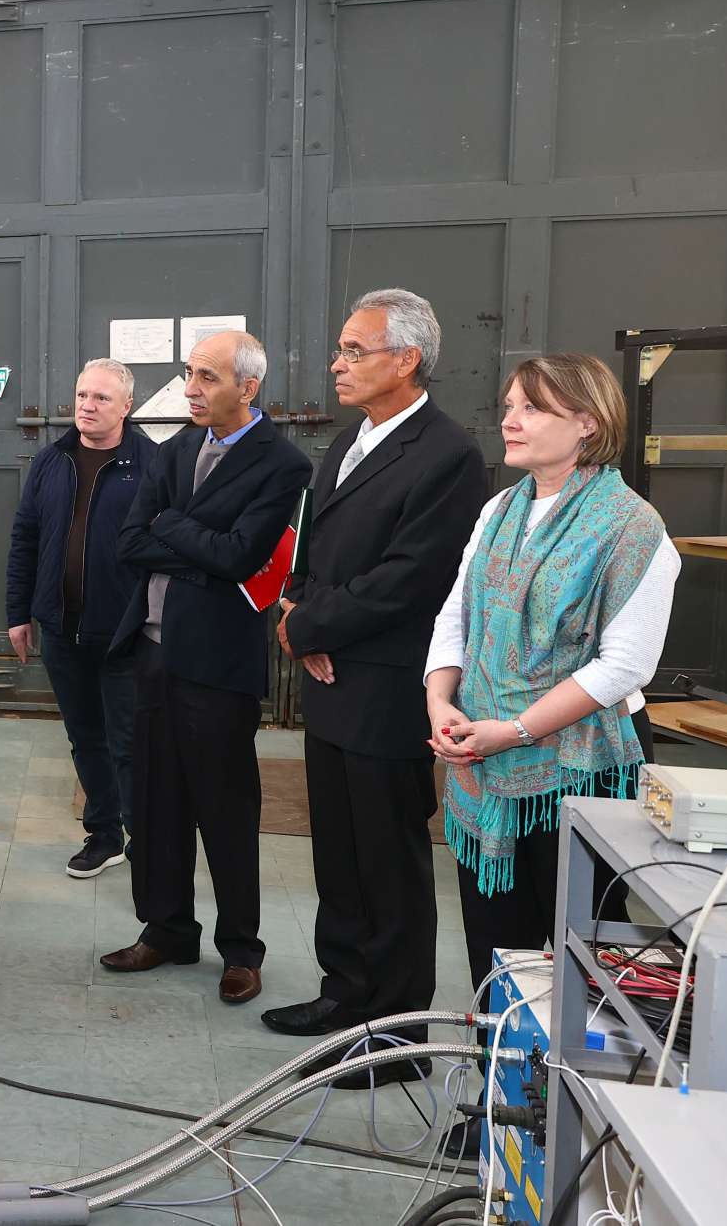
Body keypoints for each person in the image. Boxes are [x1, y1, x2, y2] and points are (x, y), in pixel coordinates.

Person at [259, 290, 487, 1085]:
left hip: (387, 687)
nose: (337, 364)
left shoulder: (447, 454)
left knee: (388, 861)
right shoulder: (348, 440)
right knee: (339, 852)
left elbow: (411, 578)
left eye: (355, 350)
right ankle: (343, 995)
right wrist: (296, 612)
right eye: (342, 348)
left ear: (407, 359)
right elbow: (313, 551)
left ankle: (394, 1035)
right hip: (331, 681)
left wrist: (311, 627)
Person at [425, 353, 678, 999]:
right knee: (494, 951)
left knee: (585, 961)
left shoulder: (632, 527)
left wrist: (513, 729)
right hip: (485, 765)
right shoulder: (499, 510)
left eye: (532, 408)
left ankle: (572, 1068)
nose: (510, 421)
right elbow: (459, 611)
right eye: (509, 406)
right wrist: (440, 701)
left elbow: (625, 665)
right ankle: (498, 1061)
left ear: (588, 422)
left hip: (581, 769)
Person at [98, 331, 311, 1006]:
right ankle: (167, 930)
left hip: (218, 664)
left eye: (207, 377)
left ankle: (241, 949)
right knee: (156, 804)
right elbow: (131, 542)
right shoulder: (175, 450)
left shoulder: (283, 464)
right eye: (189, 373)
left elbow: (241, 556)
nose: (191, 389)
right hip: (154, 651)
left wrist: (172, 526)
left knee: (225, 809)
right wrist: (196, 544)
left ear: (248, 387)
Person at [5, 358, 157, 877]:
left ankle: (146, 841)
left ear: (127, 406)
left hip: (125, 633)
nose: (87, 407)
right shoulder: (52, 461)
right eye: (82, 395)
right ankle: (105, 835)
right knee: (84, 736)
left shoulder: (153, 464)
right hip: (60, 628)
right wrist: (18, 613)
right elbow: (25, 538)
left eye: (101, 398)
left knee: (130, 742)